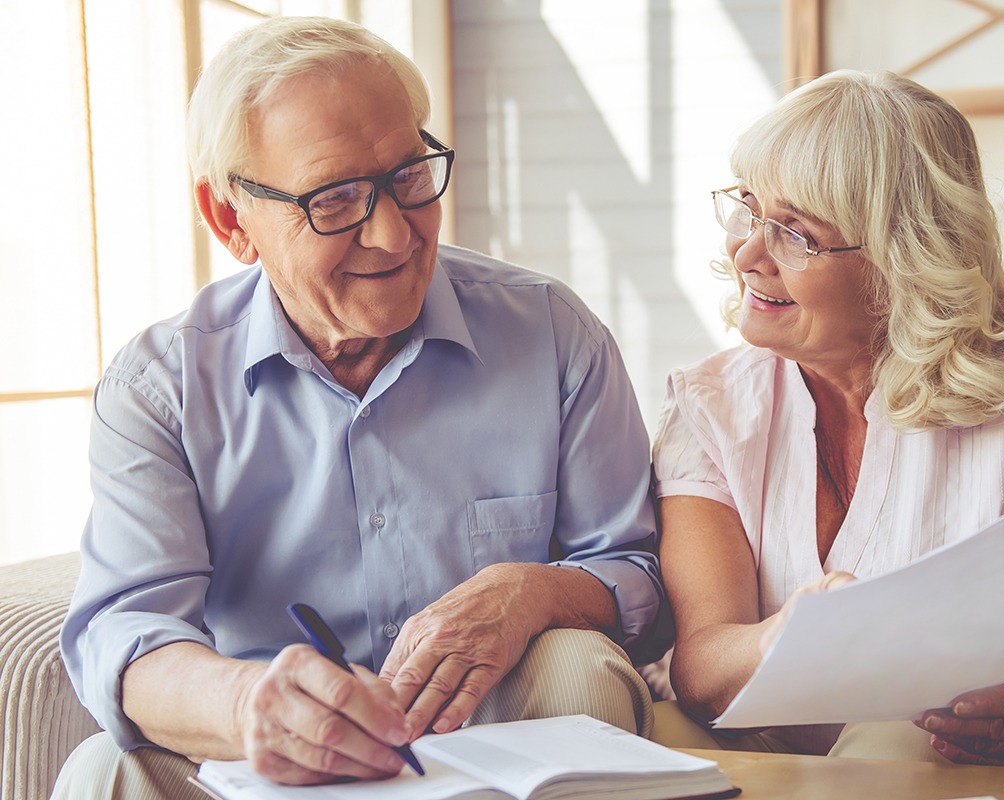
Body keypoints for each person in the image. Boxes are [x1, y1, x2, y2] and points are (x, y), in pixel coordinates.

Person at [53, 16, 663, 799]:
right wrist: (249, 706)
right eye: (336, 199)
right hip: (267, 760)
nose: (392, 233)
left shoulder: (551, 333)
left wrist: (535, 589)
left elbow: (636, 570)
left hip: (492, 746)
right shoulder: (158, 388)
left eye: (410, 176)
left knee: (576, 667)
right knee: (105, 771)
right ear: (231, 220)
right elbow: (126, 636)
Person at [648, 70, 1004, 799]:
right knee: (651, 735)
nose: (748, 254)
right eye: (748, 208)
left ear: (904, 261)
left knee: (896, 737)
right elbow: (703, 669)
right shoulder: (709, 407)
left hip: (963, 769)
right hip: (772, 759)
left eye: (797, 232)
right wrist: (792, 633)